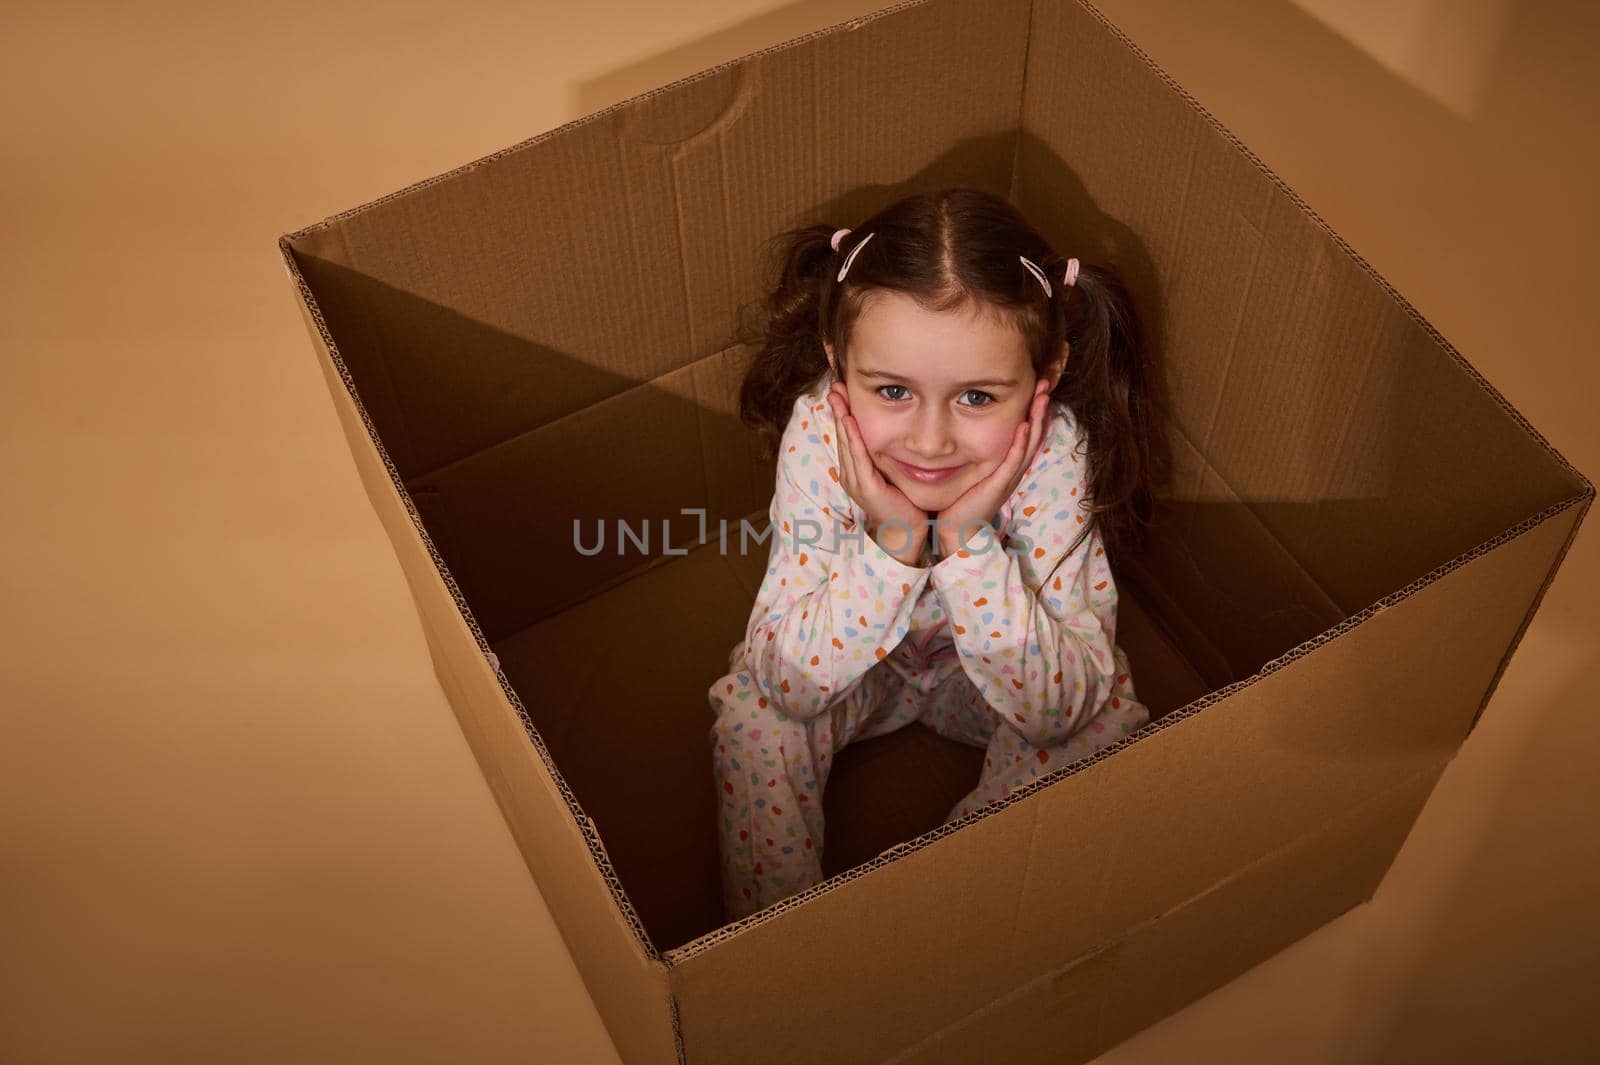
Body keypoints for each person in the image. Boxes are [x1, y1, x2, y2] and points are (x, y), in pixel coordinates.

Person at [707, 185, 1175, 922]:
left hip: (984, 682)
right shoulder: (821, 433)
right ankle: (785, 938)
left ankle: (950, 913)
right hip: (863, 668)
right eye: (892, 389)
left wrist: (963, 544)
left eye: (978, 398)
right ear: (838, 364)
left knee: (1103, 717)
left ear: (1043, 375)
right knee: (754, 710)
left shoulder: (1055, 454)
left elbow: (1057, 708)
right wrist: (894, 544)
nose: (930, 442)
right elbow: (788, 680)